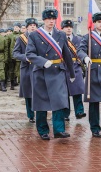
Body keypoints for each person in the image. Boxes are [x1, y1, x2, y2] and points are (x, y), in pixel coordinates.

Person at [26, 9, 75, 140]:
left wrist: (71, 72)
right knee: (42, 102)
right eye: (48, 19)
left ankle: (59, 129)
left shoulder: (60, 34)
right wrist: (42, 62)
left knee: (59, 100)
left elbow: (66, 54)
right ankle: (43, 130)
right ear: (44, 20)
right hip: (41, 72)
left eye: (53, 19)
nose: (51, 21)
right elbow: (29, 54)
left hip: (57, 71)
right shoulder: (35, 35)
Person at [13, 18, 38, 123]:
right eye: (30, 25)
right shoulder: (21, 38)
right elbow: (15, 53)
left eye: (34, 25)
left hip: (38, 67)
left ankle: (41, 112)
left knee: (39, 91)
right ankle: (31, 115)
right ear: (27, 27)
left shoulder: (40, 37)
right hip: (27, 68)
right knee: (28, 93)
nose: (33, 26)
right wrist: (25, 57)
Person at [61, 20, 86, 121]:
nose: (68, 28)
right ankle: (65, 114)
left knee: (77, 91)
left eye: (70, 27)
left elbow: (83, 51)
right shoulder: (59, 39)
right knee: (65, 92)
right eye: (66, 27)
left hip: (76, 66)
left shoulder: (78, 39)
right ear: (62, 28)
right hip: (64, 66)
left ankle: (79, 112)